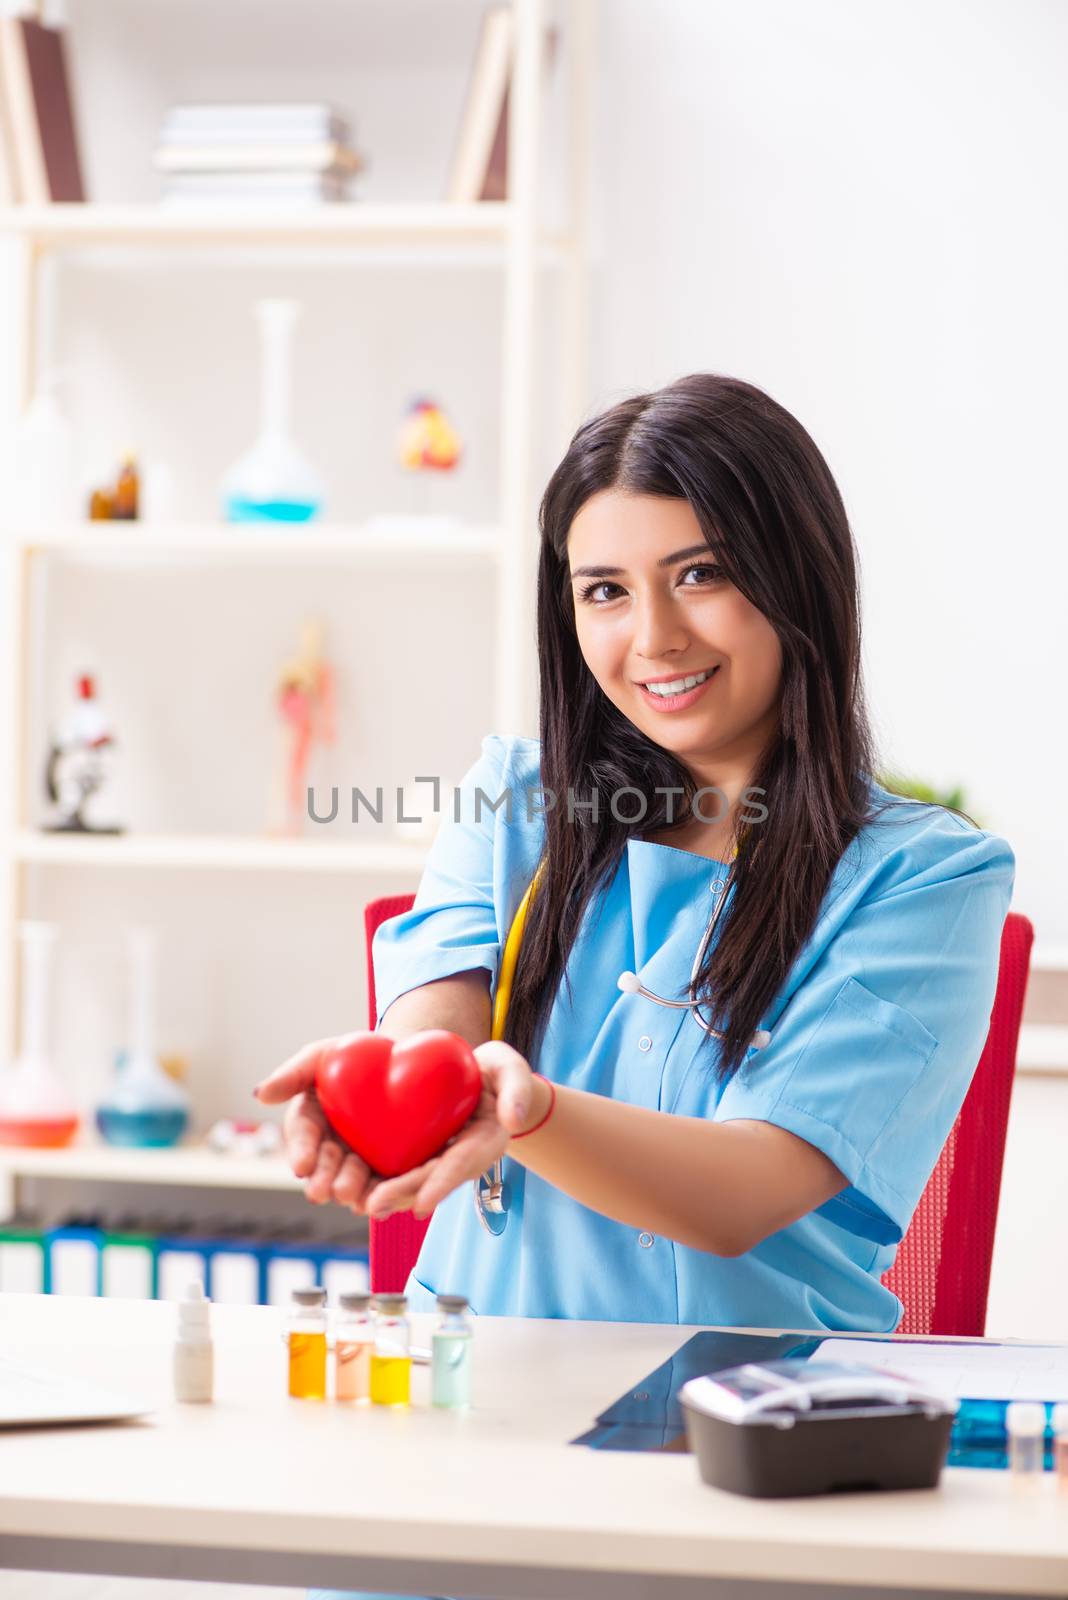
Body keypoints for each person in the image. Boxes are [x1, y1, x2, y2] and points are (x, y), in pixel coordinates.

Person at [256, 371, 1012, 1525]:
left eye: (699, 574)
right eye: (603, 589)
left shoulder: (925, 876)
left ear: (798, 577)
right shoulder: (515, 798)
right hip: (465, 1420)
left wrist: (525, 1111)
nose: (651, 636)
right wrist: (374, 1098)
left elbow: (748, 1187)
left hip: (745, 1453)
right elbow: (432, 1044)